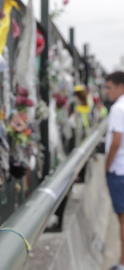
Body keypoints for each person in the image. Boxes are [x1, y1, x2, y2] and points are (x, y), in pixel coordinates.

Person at [105, 71, 124, 270]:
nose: (106, 92)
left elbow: (116, 141)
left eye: (109, 87)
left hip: (119, 171)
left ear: (121, 87)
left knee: (122, 219)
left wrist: (107, 165)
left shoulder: (118, 108)